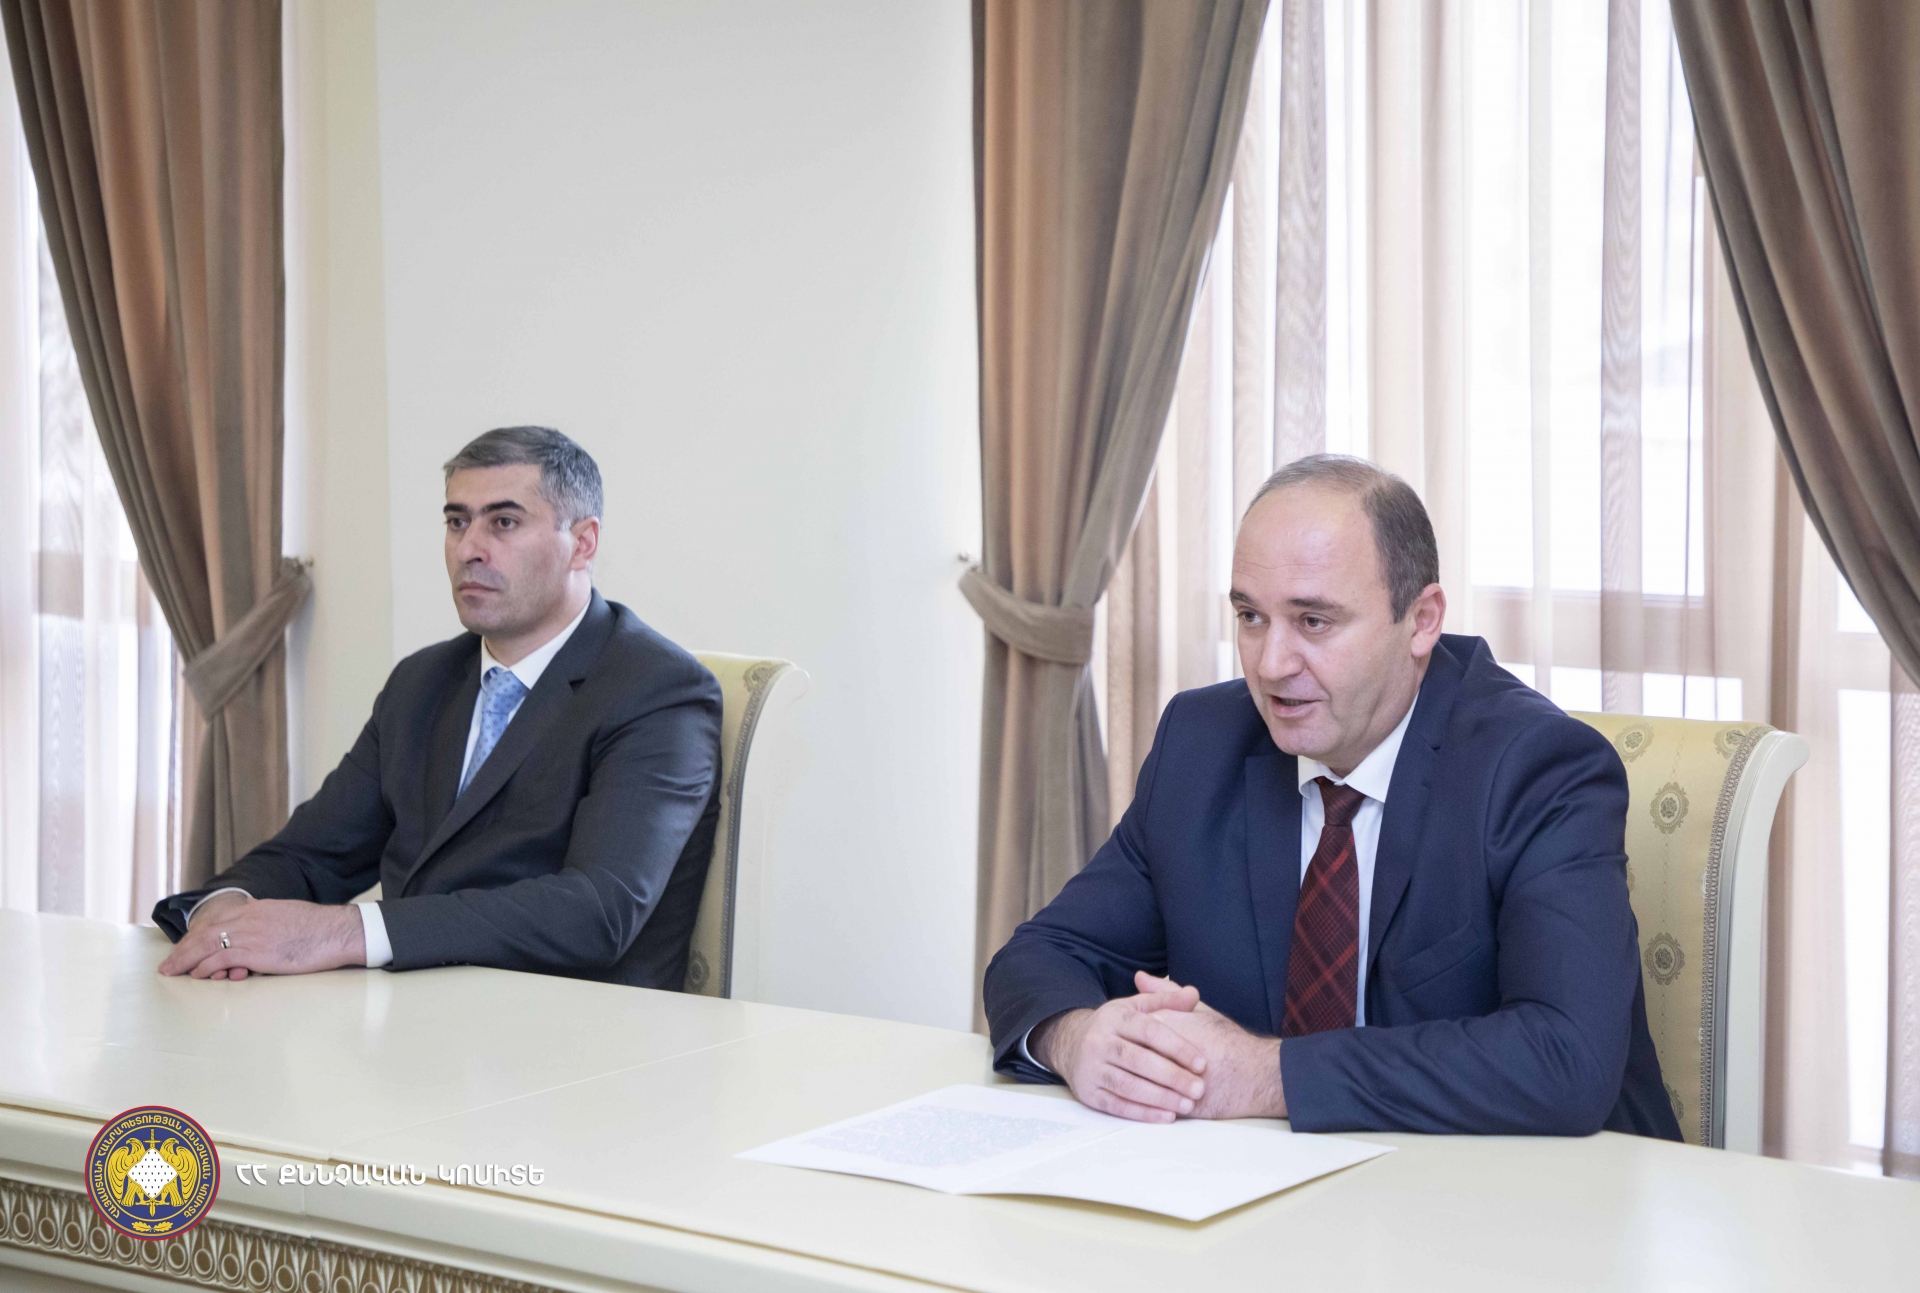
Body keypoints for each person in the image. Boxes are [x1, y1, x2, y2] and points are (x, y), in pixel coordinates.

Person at [983, 454, 1681, 1139]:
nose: (1271, 664)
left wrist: (1263, 1075)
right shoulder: (1202, 744)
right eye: (1250, 617)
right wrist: (1080, 1040)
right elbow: (1040, 955)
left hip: (1527, 1198)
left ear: (1422, 619)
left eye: (1313, 621)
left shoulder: (1538, 766)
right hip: (1267, 1190)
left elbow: (1566, 1058)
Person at [154, 426, 723, 990]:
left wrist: (346, 931)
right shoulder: (422, 682)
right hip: (412, 1018)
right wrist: (223, 910)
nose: (469, 549)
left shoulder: (657, 689)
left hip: (576, 1030)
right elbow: (313, 855)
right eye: (457, 522)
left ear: (583, 543)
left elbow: (597, 910)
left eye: (504, 522)